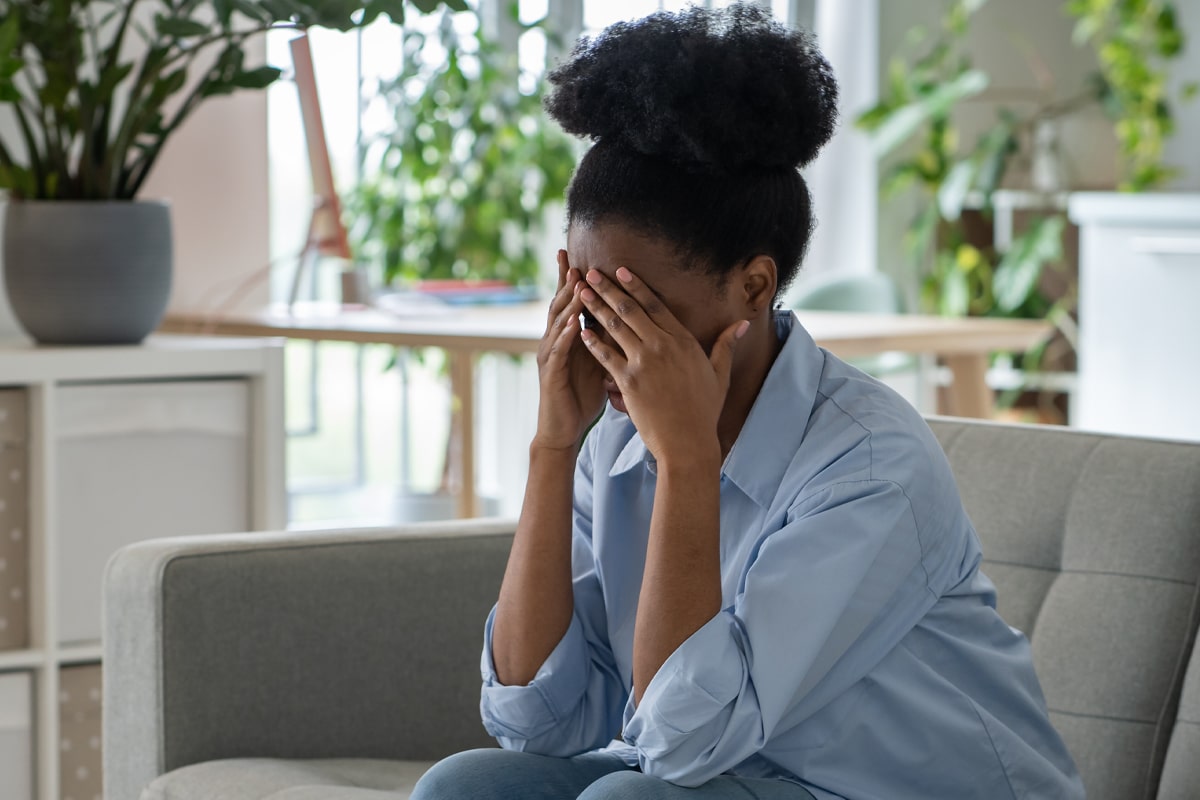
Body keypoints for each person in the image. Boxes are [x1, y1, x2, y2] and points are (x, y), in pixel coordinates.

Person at [411, 5, 1085, 799]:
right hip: (744, 780)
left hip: (897, 789)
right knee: (468, 787)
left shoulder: (868, 464)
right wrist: (554, 448)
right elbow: (538, 720)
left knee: (632, 797)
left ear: (753, 287)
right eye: (588, 304)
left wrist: (689, 460)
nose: (608, 341)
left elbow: (683, 742)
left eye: (638, 310)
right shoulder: (612, 445)